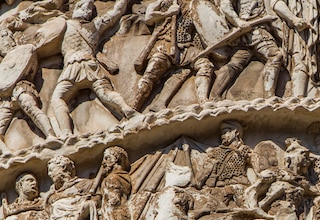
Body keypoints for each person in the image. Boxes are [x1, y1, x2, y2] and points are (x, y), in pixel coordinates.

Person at [50, 0, 137, 136]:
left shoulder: (64, 25)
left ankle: (66, 133)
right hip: (91, 65)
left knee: (57, 99)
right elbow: (116, 12)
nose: (88, 11)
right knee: (105, 93)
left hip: (72, 67)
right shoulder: (95, 25)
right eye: (87, 9)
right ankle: (127, 110)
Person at [131, 0, 214, 110]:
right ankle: (134, 108)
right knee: (150, 75)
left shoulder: (194, 5)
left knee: (206, 65)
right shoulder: (161, 3)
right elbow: (149, 18)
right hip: (165, 44)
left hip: (187, 47)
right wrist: (167, 14)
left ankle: (203, 100)